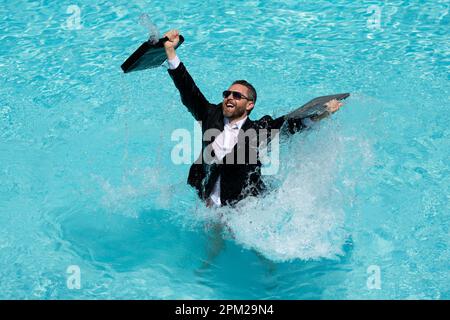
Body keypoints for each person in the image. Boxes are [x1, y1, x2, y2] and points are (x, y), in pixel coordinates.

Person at [163, 29, 343, 208]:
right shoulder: (210, 114)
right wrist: (171, 52)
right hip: (205, 190)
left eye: (237, 95)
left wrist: (322, 114)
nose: (230, 97)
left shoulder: (258, 130)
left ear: (250, 105)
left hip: (239, 201)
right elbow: (188, 91)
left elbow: (290, 125)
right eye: (227, 93)